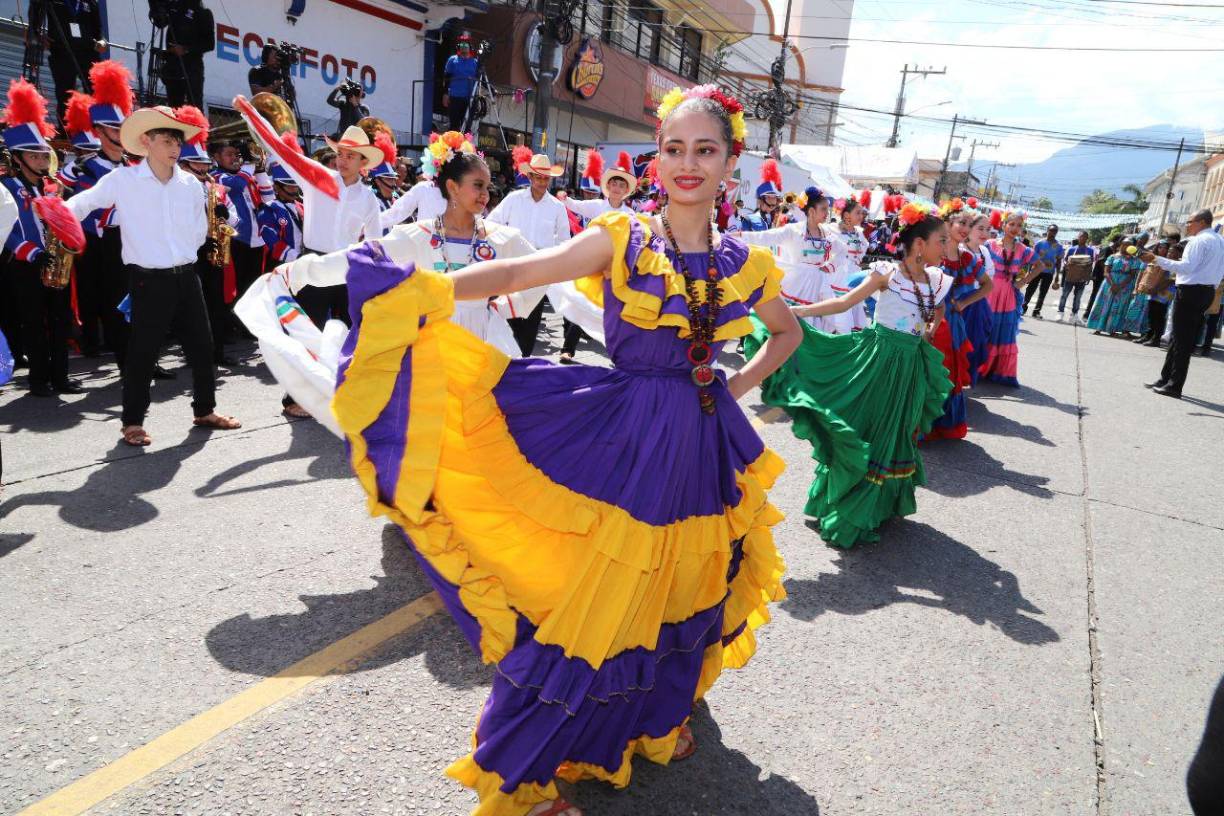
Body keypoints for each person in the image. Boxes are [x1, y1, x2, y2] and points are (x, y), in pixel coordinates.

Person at [261, 82, 799, 816]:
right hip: (628, 440)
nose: (688, 164)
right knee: (597, 601)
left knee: (682, 589)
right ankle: (522, 773)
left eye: (705, 150)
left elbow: (788, 332)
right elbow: (520, 273)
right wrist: (431, 290)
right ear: (656, 158)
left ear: (731, 162)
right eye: (674, 148)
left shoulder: (743, 259)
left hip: (701, 443)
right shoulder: (623, 237)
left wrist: (732, 388)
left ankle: (648, 718)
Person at [746, 200, 953, 547]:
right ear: (920, 244)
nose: (946, 247)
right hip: (880, 360)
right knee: (871, 426)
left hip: (911, 365)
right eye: (941, 240)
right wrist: (796, 312)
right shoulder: (887, 274)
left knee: (898, 428)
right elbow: (844, 303)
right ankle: (853, 504)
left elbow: (940, 307)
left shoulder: (935, 280)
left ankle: (882, 503)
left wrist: (929, 329)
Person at [268, 132, 530, 361]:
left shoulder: (499, 238)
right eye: (478, 185)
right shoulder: (419, 234)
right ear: (452, 186)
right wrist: (301, 270)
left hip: (482, 341)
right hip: (431, 340)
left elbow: (542, 265)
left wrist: (511, 305)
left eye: (487, 186)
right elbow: (365, 256)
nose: (486, 194)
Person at [65, 104, 241, 445]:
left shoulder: (190, 184)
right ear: (147, 141)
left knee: (202, 346)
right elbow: (82, 203)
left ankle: (205, 409)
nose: (175, 148)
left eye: (177, 141)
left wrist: (186, 249)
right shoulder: (124, 180)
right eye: (167, 141)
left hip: (187, 276)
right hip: (148, 279)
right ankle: (132, 422)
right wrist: (56, 213)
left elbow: (198, 230)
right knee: (143, 352)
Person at [1, 79, 81, 397]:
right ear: (18, 158)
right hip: (24, 264)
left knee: (60, 320)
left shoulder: (49, 187)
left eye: (43, 155)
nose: (41, 161)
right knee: (34, 322)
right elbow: (5, 231)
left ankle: (60, 377)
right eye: (33, 156)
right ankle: (38, 379)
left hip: (54, 261)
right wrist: (32, 252)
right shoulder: (7, 188)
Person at [554, 149, 636, 362]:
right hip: (592, 263)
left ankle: (619, 354)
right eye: (614, 184)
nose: (616, 188)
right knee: (583, 301)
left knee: (617, 310)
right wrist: (564, 197)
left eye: (621, 185)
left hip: (617, 267)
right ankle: (568, 349)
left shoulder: (630, 215)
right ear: (608, 186)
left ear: (626, 190)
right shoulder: (598, 206)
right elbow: (574, 205)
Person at [738, 186, 854, 334]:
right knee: (793, 320)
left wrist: (829, 267)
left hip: (819, 283)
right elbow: (764, 237)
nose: (827, 213)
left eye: (827, 208)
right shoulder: (794, 230)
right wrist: (737, 237)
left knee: (825, 321)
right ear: (811, 211)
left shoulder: (826, 233)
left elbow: (843, 250)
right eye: (823, 209)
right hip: (797, 282)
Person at [486, 150, 569, 356]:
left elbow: (564, 240)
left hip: (539, 269)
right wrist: (506, 243)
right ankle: (508, 358)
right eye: (538, 177)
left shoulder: (557, 207)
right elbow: (492, 223)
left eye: (546, 178)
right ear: (530, 176)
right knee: (508, 315)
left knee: (531, 321)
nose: (542, 182)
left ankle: (523, 361)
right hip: (513, 265)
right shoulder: (514, 199)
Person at [175, 105, 237, 367]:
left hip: (216, 251)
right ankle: (195, 354)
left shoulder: (216, 188)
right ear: (183, 165)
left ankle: (217, 352)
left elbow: (236, 220)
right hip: (191, 253)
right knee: (192, 308)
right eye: (196, 163)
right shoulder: (176, 189)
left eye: (204, 163)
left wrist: (225, 215)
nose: (202, 168)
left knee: (216, 304)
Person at [1140, 209, 1224, 398]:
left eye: (1190, 221)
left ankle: (1174, 385)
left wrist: (1156, 259)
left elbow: (1186, 267)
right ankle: (1165, 379)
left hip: (1191, 291)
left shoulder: (1198, 241)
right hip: (1206, 291)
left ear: (1202, 222)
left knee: (1182, 340)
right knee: (1179, 337)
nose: (1187, 225)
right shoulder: (1220, 240)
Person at [928, 200, 990, 440]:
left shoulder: (967, 258)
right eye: (961, 223)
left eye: (968, 224)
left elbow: (988, 285)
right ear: (947, 222)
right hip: (927, 319)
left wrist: (964, 303)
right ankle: (918, 423)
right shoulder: (934, 250)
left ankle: (941, 422)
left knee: (946, 371)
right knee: (926, 369)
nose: (966, 229)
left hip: (952, 323)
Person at [980, 210, 1040, 386]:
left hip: (1007, 294)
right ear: (1003, 225)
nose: (1015, 228)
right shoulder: (990, 244)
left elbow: (1040, 265)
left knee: (1003, 332)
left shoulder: (1023, 249)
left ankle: (998, 369)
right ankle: (979, 366)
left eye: (1019, 226)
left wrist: (1023, 282)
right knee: (985, 327)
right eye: (1012, 224)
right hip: (988, 291)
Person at [209, 140, 271, 304]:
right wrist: (249, 164)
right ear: (216, 157)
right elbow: (236, 185)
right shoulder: (216, 176)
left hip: (256, 240)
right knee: (236, 289)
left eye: (237, 155)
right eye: (229, 155)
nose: (235, 158)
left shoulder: (246, 176)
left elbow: (270, 198)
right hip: (235, 241)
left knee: (254, 287)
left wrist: (260, 170)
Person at [27, 0, 106, 127]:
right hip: (61, 51)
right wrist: (37, 34)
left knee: (96, 91)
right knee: (64, 94)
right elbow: (35, 15)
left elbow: (99, 33)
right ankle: (66, 131)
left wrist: (102, 42)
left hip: (88, 52)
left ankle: (97, 129)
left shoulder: (91, 3)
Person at [155, 0, 214, 108]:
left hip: (192, 67)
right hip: (172, 65)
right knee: (174, 107)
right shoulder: (174, 6)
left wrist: (186, 49)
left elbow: (210, 44)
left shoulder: (203, 13)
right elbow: (159, 22)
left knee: (194, 105)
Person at [1087, 239, 1143, 337]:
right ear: (1120, 245)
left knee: (1119, 307)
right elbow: (1106, 272)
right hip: (1109, 283)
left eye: (1129, 245)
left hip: (1125, 286)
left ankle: (1112, 329)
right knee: (1104, 304)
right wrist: (1113, 285)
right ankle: (1098, 328)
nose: (1126, 247)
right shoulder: (1112, 257)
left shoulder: (1134, 260)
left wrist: (1120, 286)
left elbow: (1132, 275)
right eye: (1125, 244)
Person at [257, 162, 303, 268]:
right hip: (282, 265)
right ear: (277, 187)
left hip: (303, 263)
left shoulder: (302, 206)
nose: (294, 189)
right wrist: (297, 258)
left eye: (295, 185)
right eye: (289, 186)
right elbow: (273, 243)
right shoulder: (269, 210)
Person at [1136, 240, 1178, 347]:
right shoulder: (1160, 260)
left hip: (1165, 291)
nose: (1169, 253)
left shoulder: (1175, 263)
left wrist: (1156, 288)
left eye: (1170, 251)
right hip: (1154, 289)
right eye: (1169, 251)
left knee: (1159, 314)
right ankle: (1149, 334)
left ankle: (1156, 338)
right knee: (1151, 313)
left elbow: (1170, 280)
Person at [1023, 223, 1062, 318]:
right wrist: (1028, 272)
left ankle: (1036, 311)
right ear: (1047, 231)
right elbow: (1031, 257)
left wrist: (1057, 275)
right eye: (1051, 230)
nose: (1053, 233)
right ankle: (1023, 308)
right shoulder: (1039, 243)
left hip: (1049, 272)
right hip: (1036, 270)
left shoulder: (1058, 246)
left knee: (1043, 292)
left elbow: (1059, 261)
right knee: (1030, 289)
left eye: (1055, 231)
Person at [442, 33, 479, 132]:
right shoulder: (452, 60)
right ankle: (454, 141)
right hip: (455, 97)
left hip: (469, 98)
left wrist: (492, 90)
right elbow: (447, 77)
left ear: (470, 47)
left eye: (466, 45)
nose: (463, 47)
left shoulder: (475, 62)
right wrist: (445, 93)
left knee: (466, 127)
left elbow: (481, 78)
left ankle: (465, 142)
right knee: (454, 126)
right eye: (461, 45)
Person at [1056, 231, 1095, 323]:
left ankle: (1074, 315)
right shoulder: (1071, 249)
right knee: (1064, 295)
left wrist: (1088, 276)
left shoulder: (1090, 250)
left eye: (1084, 237)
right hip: (1070, 276)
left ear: (1087, 238)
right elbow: (1065, 260)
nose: (1082, 238)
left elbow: (1090, 264)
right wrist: (1067, 265)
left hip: (1082, 278)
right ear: (1078, 237)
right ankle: (1060, 313)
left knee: (1078, 297)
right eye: (1081, 236)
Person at [738, 158, 782, 231]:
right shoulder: (749, 220)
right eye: (769, 197)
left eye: (774, 197)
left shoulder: (779, 220)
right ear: (760, 200)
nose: (772, 200)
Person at [1083, 236, 1120, 320]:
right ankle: (1087, 314)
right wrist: (1109, 273)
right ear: (1116, 241)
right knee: (1095, 294)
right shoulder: (1106, 249)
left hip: (1108, 278)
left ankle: (1098, 314)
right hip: (1099, 276)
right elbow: (1101, 263)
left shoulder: (1116, 251)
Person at [366, 133, 399, 211]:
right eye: (389, 179)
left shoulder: (394, 197)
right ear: (378, 181)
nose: (393, 183)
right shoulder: (371, 202)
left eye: (393, 179)